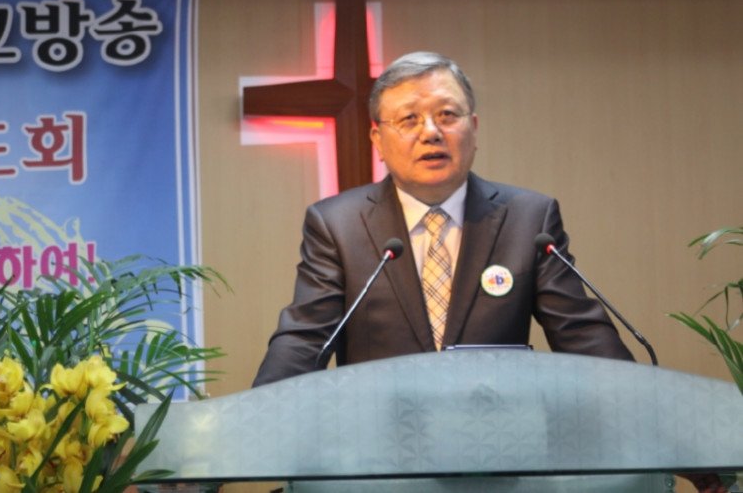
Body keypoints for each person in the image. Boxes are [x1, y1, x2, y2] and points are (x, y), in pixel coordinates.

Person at [252, 51, 634, 387]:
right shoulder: (337, 225)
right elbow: (305, 339)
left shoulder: (529, 219)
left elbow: (581, 333)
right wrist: (256, 417)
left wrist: (638, 399)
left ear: (474, 129)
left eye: (447, 115)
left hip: (496, 437)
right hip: (378, 439)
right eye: (409, 119)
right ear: (378, 140)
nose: (431, 132)